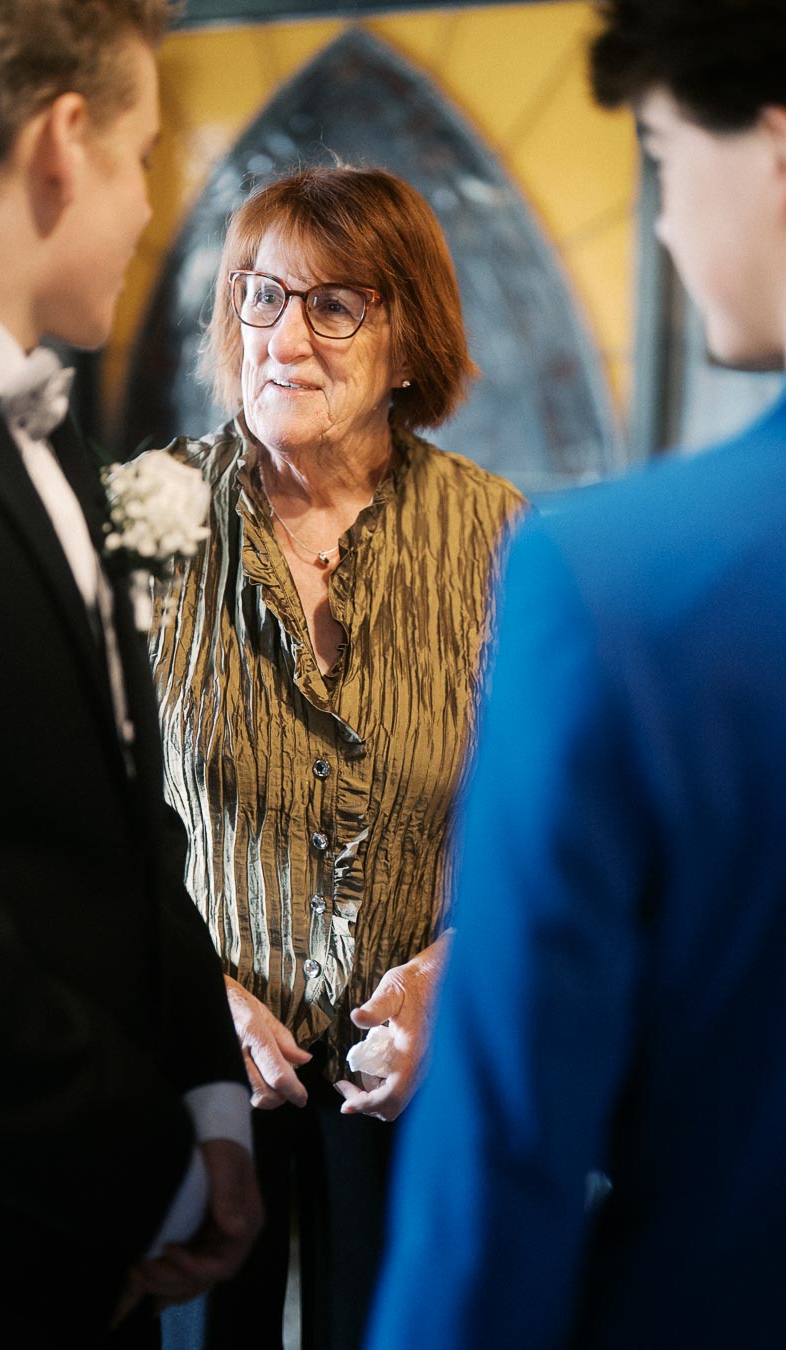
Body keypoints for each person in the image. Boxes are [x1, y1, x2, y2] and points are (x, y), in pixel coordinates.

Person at [367, 2, 786, 1347]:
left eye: (664, 155)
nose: (664, 223)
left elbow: (502, 1156)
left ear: (775, 149)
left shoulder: (616, 586)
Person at [0, 3, 262, 1347]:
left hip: (75, 1229)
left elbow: (116, 813)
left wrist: (209, 1090)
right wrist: (143, 1166)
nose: (153, 202)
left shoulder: (36, 420)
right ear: (62, 145)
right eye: (144, 155)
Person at [148, 165, 526, 1348]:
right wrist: (190, 997)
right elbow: (66, 809)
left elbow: (548, 820)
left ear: (409, 337)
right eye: (260, 297)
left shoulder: (501, 536)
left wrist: (458, 970)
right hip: (197, 1070)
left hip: (420, 1071)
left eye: (335, 305)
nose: (284, 339)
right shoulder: (140, 518)